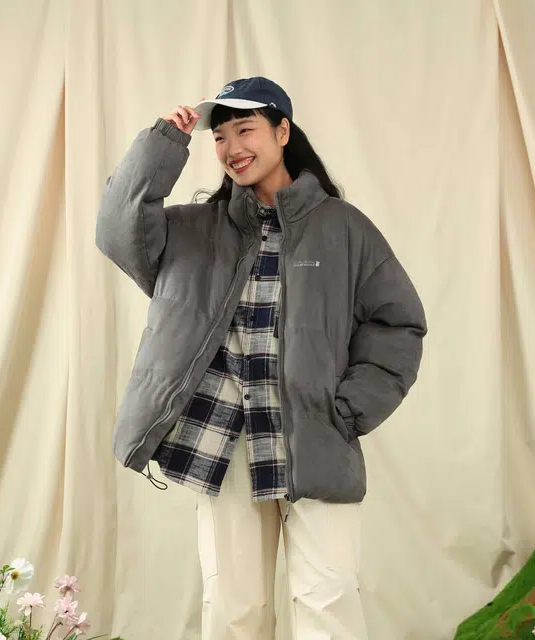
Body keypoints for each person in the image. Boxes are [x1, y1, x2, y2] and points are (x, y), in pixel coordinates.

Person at [96, 76, 427, 640]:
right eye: (220, 136)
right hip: (224, 444)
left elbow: (398, 323)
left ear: (282, 131)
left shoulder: (344, 227)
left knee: (327, 603)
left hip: (316, 438)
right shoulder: (191, 231)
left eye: (245, 129)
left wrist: (348, 409)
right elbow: (116, 228)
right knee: (234, 610)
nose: (232, 147)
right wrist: (163, 143)